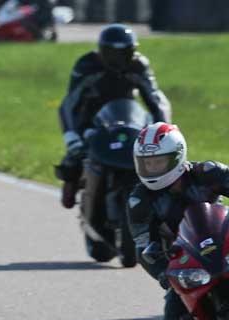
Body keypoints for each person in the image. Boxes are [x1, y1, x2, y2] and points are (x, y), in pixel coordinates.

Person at [127, 122, 229, 320]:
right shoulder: (140, 200)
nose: (151, 169)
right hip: (186, 261)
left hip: (224, 243)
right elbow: (143, 246)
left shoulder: (208, 173)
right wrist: (164, 273)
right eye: (146, 164)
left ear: (177, 156)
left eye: (158, 162)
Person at [57, 24, 171, 208]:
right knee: (74, 159)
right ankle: (72, 182)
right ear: (102, 51)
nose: (119, 59)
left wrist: (164, 130)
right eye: (112, 53)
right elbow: (69, 104)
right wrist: (72, 138)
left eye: (125, 52)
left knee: (159, 161)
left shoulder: (138, 65)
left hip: (129, 119)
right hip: (92, 122)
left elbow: (156, 99)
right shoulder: (87, 65)